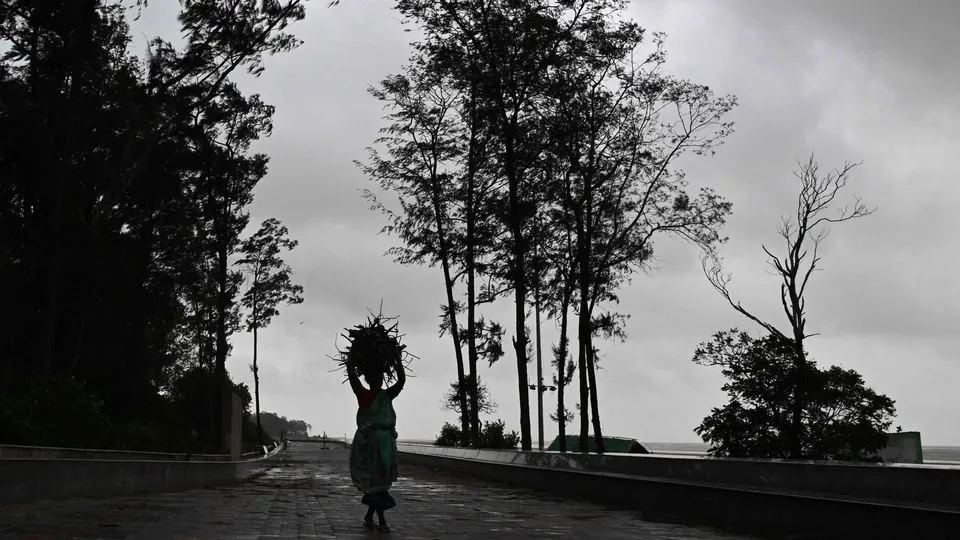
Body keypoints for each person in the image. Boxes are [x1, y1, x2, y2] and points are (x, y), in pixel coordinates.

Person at [348, 354, 405, 533]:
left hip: (385, 448)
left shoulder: (386, 395)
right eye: (374, 378)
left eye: (380, 378)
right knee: (376, 487)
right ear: (368, 379)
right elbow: (352, 376)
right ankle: (381, 520)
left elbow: (401, 381)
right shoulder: (363, 394)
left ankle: (370, 517)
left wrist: (398, 361)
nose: (378, 381)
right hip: (368, 448)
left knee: (378, 486)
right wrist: (351, 359)